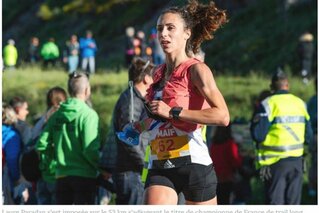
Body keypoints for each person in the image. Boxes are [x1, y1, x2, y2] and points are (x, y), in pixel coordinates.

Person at [118, 0, 229, 205]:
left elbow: (222, 116)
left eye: (170, 28)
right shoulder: (157, 72)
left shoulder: (196, 70)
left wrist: (173, 112)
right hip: (159, 162)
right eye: (160, 29)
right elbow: (159, 117)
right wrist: (140, 126)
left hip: (194, 164)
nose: (163, 34)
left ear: (187, 32)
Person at [250, 70, 313, 205]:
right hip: (297, 163)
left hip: (275, 163)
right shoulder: (300, 103)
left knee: (275, 204)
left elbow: (258, 135)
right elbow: (308, 137)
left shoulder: (267, 104)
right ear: (287, 85)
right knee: (293, 205)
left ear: (271, 87)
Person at [36, 72, 100, 204]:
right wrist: (100, 168)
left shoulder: (57, 115)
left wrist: (52, 163)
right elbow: (90, 149)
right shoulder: (89, 115)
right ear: (87, 90)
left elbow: (42, 144)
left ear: (69, 90)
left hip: (61, 176)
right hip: (85, 176)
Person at [100, 57, 155, 204]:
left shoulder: (135, 99)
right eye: (153, 76)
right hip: (130, 174)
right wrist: (145, 163)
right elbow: (128, 138)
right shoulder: (131, 100)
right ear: (146, 79)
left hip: (133, 172)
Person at [33, 86, 67, 204]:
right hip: (58, 175)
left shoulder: (41, 121)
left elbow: (35, 143)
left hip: (42, 175)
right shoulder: (62, 119)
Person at [210, 124, 242, 204]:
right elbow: (235, 161)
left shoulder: (213, 144)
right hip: (228, 179)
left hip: (216, 180)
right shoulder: (230, 144)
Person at [307, 77, 317, 197]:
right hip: (316, 135)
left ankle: (312, 187)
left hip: (314, 135)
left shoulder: (312, 101)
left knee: (314, 163)